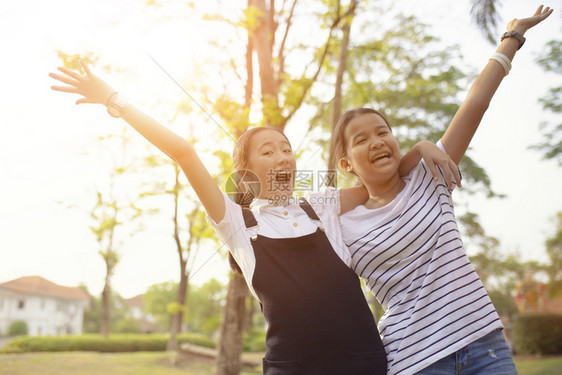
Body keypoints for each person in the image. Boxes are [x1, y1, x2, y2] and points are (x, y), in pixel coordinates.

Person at [49, 51, 461, 373]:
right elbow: (183, 152)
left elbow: (379, 180)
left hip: (366, 365)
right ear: (246, 170)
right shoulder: (237, 224)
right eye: (269, 151)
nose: (283, 156)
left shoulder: (321, 207)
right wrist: (113, 99)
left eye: (287, 149)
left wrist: (422, 151)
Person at [330, 5, 553, 375]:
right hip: (414, 361)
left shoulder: (429, 177)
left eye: (383, 131)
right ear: (346, 164)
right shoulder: (341, 223)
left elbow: (475, 104)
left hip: (485, 347)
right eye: (361, 139)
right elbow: (287, 218)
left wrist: (512, 37)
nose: (376, 141)